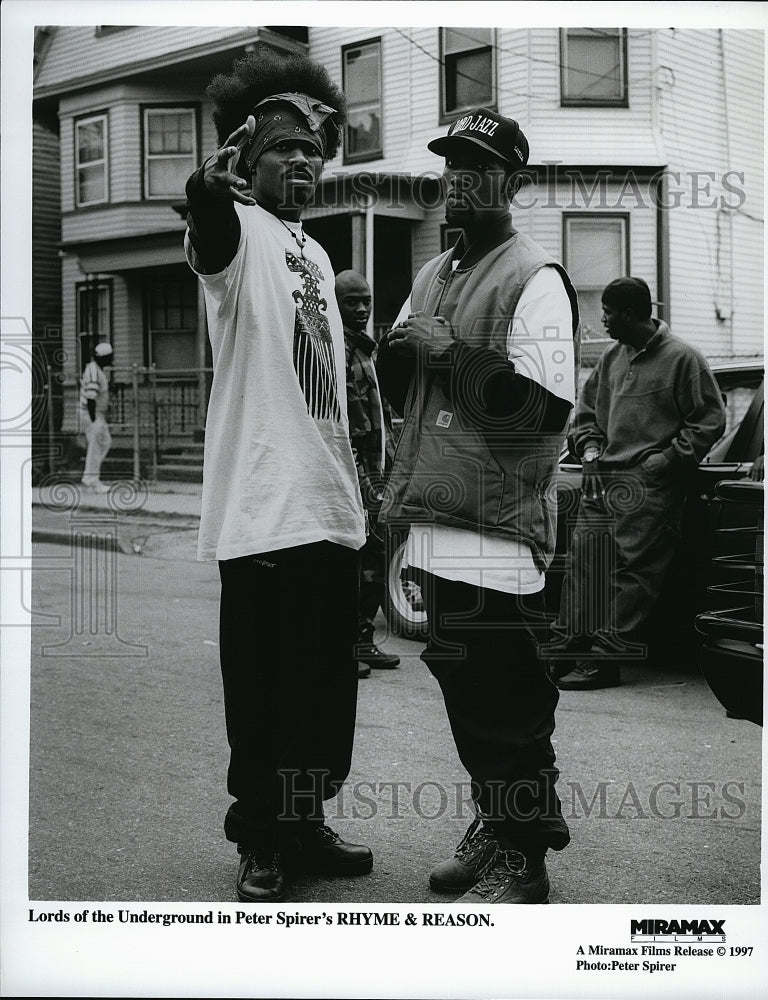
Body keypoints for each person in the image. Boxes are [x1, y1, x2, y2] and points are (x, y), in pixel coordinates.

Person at [183, 50, 372, 903]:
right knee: (263, 689)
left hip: (330, 505)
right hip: (264, 509)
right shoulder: (233, 236)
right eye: (285, 150)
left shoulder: (320, 254)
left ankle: (304, 823)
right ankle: (260, 837)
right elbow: (211, 228)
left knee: (324, 690)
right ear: (248, 159)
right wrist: (209, 187)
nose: (304, 163)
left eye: (315, 153)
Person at [376, 108, 577, 904]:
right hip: (436, 526)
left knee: (510, 707)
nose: (460, 177)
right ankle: (499, 825)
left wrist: (447, 353)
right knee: (470, 703)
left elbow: (543, 417)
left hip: (498, 530)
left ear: (512, 184)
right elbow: (405, 391)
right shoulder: (432, 274)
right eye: (452, 163)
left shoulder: (538, 279)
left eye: (479, 165)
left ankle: (525, 863)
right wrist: (396, 360)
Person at [548, 277, 726, 690]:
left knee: (633, 573)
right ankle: (564, 649)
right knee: (583, 568)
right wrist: (589, 451)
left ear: (628, 313)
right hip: (602, 484)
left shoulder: (684, 359)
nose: (603, 321)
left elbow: (709, 420)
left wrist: (664, 462)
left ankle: (606, 660)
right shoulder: (612, 358)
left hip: (650, 489)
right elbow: (586, 414)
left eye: (608, 313)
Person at [335, 269, 400, 677]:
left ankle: (361, 638)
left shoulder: (365, 350)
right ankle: (342, 647)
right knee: (353, 562)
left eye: (366, 301)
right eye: (351, 302)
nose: (361, 309)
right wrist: (358, 479)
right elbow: (341, 426)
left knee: (376, 557)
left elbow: (380, 420)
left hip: (379, 473)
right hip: (354, 476)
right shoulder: (335, 352)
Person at [79, 341, 113, 493]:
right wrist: (94, 420)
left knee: (104, 442)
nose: (111, 360)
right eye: (109, 357)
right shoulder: (94, 371)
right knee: (97, 445)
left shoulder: (97, 369)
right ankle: (91, 480)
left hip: (96, 413)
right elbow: (91, 397)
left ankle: (91, 478)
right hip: (91, 413)